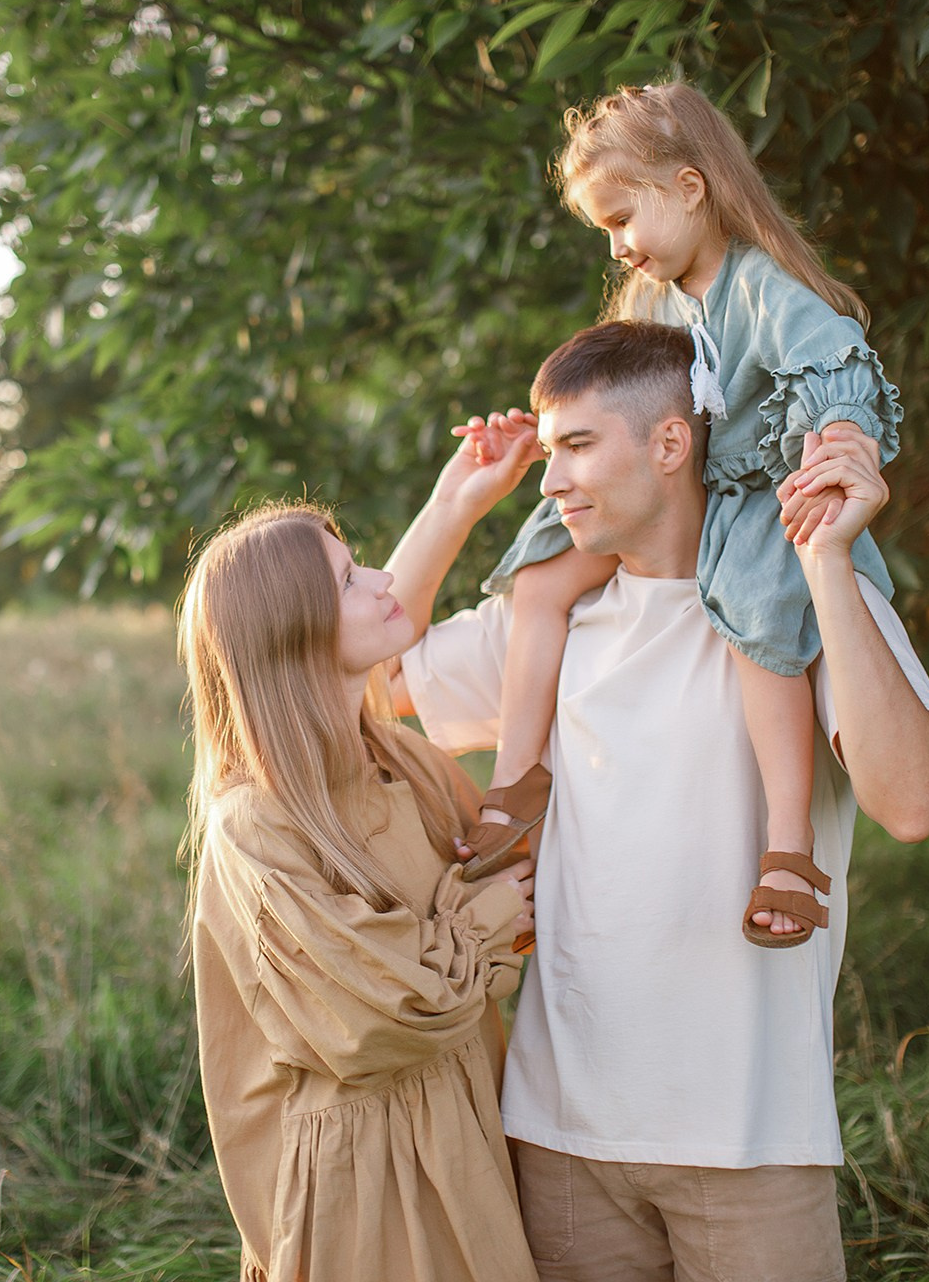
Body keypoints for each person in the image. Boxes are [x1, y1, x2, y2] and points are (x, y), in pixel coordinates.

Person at [384, 320, 929, 1280]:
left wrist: (827, 561)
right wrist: (454, 504)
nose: (551, 481)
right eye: (550, 450)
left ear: (668, 443)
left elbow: (912, 806)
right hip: (562, 1140)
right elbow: (363, 674)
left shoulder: (797, 601)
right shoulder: (549, 618)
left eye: (578, 446)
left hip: (750, 1140)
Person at [459, 82, 905, 952]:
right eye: (605, 230)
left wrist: (842, 437)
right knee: (541, 577)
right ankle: (517, 779)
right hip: (672, 494)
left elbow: (834, 361)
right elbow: (616, 398)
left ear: (690, 187)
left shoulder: (761, 285)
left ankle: (788, 844)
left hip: (752, 497)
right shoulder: (654, 299)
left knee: (758, 619)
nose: (617, 246)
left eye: (623, 219)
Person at [178, 502, 541, 1282]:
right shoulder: (256, 823)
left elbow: (516, 883)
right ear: (293, 630)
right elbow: (387, 1013)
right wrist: (486, 920)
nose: (382, 581)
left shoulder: (408, 761)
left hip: (472, 1127)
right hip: (371, 1182)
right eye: (348, 580)